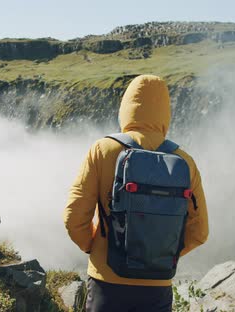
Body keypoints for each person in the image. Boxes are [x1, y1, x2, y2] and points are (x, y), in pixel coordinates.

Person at [63, 74, 209, 311]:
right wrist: (160, 253)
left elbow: (73, 218)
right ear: (165, 111)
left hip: (107, 282)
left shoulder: (103, 149)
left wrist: (96, 247)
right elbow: (200, 231)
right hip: (157, 287)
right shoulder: (184, 161)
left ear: (126, 107)